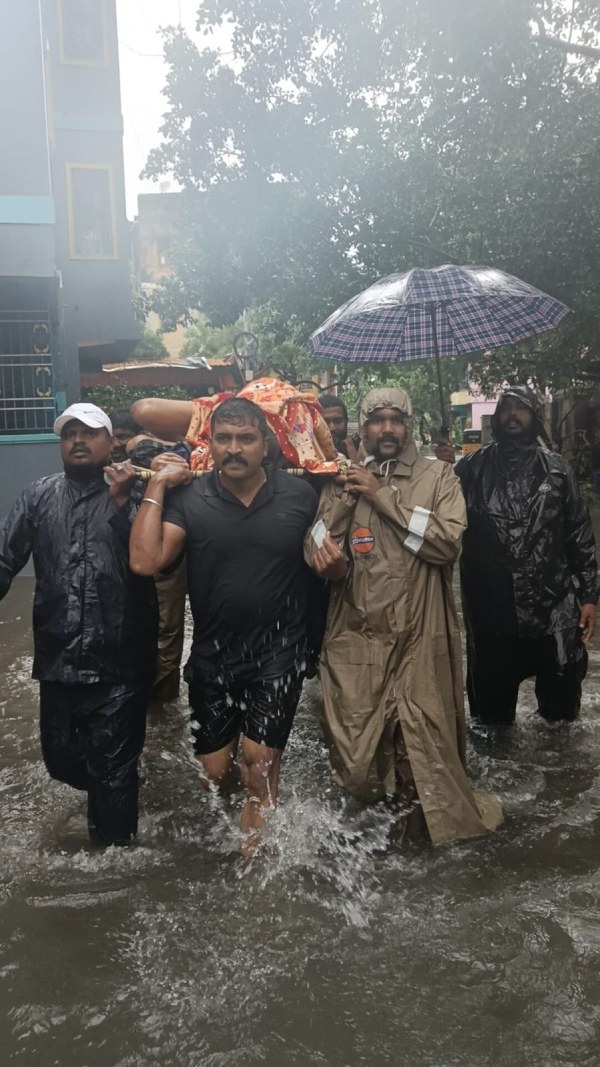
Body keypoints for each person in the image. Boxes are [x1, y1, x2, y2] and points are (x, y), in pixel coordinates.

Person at [305, 387, 502, 845]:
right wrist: (325, 555)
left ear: (409, 425)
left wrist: (383, 498)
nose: (387, 428)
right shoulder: (341, 478)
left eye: (396, 419)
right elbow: (315, 538)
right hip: (357, 633)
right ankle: (381, 840)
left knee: (419, 745)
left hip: (420, 631)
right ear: (363, 427)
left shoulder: (439, 478)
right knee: (358, 752)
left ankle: (413, 856)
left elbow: (444, 544)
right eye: (377, 420)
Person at [129, 397, 318, 855]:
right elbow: (145, 560)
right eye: (224, 439)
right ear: (209, 444)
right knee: (215, 774)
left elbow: (324, 567)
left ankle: (252, 860)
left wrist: (333, 573)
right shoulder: (191, 498)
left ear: (266, 445)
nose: (235, 449)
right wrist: (157, 486)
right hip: (214, 655)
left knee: (258, 762)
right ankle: (248, 806)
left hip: (280, 651)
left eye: (246, 439)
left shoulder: (300, 497)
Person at [0, 403, 157, 846]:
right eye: (69, 435)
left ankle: (115, 871)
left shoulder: (138, 493)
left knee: (111, 773)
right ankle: (117, 783)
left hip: (122, 660)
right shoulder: (38, 495)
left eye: (89, 433)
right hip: (59, 658)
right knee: (61, 761)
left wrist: (125, 501)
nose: (78, 441)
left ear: (112, 443)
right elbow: (5, 558)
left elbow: (159, 560)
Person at [446, 385, 597, 727]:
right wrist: (439, 476)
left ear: (534, 417)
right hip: (492, 612)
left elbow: (580, 536)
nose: (512, 414)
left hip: (554, 607)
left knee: (562, 721)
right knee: (490, 724)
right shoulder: (469, 470)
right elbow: (441, 528)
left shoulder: (557, 470)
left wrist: (589, 596)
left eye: (521, 408)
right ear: (496, 418)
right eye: (506, 408)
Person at [318, 394, 360, 461]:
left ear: (346, 422)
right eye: (325, 423)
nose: (332, 428)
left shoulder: (360, 451)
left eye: (338, 421)